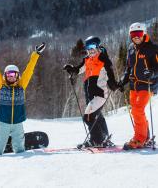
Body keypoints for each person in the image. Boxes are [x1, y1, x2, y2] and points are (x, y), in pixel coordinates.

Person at [0, 43, 46, 155]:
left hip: (18, 123)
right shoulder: (1, 86)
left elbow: (30, 69)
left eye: (12, 74)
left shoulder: (22, 85)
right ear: (5, 75)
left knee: (20, 151)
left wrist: (36, 54)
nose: (10, 76)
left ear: (17, 75)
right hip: (4, 123)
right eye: (8, 74)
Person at [63, 36, 119, 148]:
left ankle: (96, 140)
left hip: (100, 94)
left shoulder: (104, 60)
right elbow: (79, 69)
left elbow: (110, 76)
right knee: (97, 116)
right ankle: (104, 138)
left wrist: (113, 84)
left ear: (98, 47)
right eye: (88, 48)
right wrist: (72, 69)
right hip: (90, 94)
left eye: (93, 47)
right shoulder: (87, 60)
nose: (91, 50)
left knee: (88, 116)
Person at [118, 22, 158, 150]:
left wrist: (152, 72)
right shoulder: (131, 48)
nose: (136, 37)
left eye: (139, 34)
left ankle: (139, 139)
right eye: (133, 34)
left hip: (147, 85)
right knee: (135, 111)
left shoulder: (152, 48)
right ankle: (145, 136)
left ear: (144, 33)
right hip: (133, 85)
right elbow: (128, 68)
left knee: (137, 110)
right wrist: (122, 81)